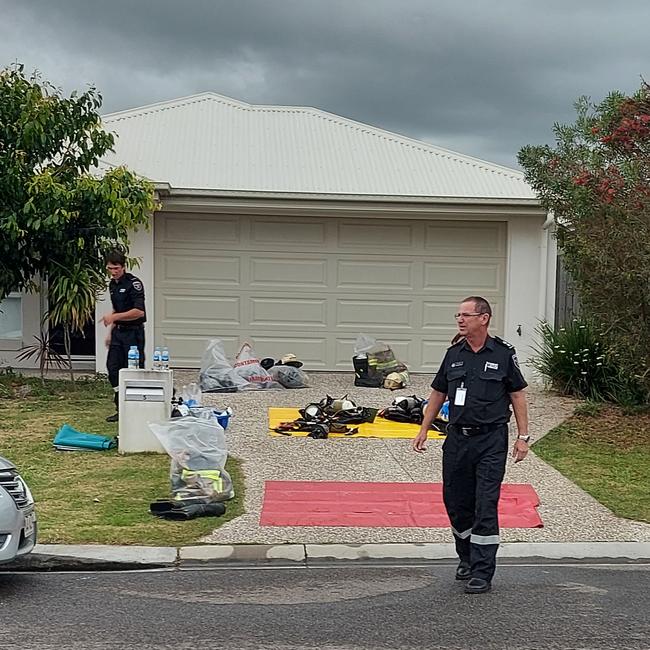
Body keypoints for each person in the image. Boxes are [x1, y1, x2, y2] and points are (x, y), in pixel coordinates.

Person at [412, 296, 530, 594]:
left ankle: (482, 571)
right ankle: (465, 557)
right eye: (458, 316)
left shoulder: (502, 354)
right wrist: (424, 429)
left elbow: (518, 395)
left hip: (491, 439)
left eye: (466, 315)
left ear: (484, 318)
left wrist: (523, 437)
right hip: (457, 440)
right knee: (457, 502)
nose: (460, 320)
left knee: (485, 504)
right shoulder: (454, 354)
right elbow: (438, 393)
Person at [102, 250, 146, 422]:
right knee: (113, 368)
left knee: (133, 370)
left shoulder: (134, 284)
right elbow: (117, 309)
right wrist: (110, 331)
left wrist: (114, 317)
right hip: (118, 332)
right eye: (110, 268)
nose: (113, 272)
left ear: (124, 267)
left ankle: (137, 408)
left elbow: (138, 312)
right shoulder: (113, 284)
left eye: (116, 268)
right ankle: (121, 406)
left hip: (133, 333)